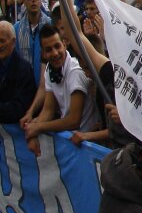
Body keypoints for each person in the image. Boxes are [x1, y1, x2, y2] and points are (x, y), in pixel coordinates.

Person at [22, 25, 100, 156]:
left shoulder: (75, 71)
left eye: (57, 46)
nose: (54, 53)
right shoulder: (49, 69)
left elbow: (74, 120)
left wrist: (39, 127)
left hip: (87, 145)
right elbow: (48, 109)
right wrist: (32, 132)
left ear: (64, 44)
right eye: (48, 49)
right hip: (71, 141)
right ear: (42, 53)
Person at [0, 22, 37, 125]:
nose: (0, 45)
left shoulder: (24, 69)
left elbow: (19, 108)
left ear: (13, 42)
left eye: (2, 41)